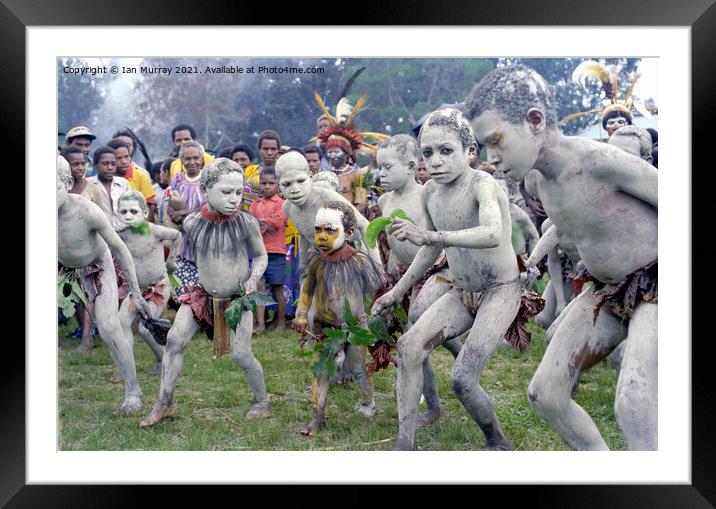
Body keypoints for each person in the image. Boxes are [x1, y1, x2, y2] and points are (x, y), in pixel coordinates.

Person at [466, 64, 657, 450]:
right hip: (607, 290)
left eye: (496, 140)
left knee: (635, 402)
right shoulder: (535, 181)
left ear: (534, 121)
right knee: (546, 394)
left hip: (659, 285)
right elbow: (563, 228)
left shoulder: (599, 162)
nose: (491, 155)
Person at [372, 110, 524, 451]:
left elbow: (491, 233)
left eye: (446, 151)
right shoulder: (431, 193)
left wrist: (428, 234)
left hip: (500, 291)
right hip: (462, 290)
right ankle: (404, 444)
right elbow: (431, 247)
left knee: (463, 379)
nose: (435, 161)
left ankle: (497, 441)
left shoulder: (482, 183)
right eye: (428, 153)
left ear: (470, 150)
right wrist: (397, 292)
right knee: (409, 347)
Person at [140, 158, 271, 427]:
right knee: (175, 340)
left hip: (237, 298)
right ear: (206, 188)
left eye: (238, 192)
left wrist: (254, 279)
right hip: (202, 295)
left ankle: (261, 401)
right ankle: (165, 402)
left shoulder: (246, 223)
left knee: (241, 354)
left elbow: (260, 256)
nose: (234, 199)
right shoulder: (192, 223)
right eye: (226, 192)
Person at [376, 133, 462, 426]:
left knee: (416, 334)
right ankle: (437, 401)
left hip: (436, 272)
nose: (381, 173)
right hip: (407, 276)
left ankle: (439, 400)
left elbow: (436, 238)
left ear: (412, 166)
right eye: (379, 167)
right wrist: (391, 269)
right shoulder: (384, 200)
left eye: (387, 167)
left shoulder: (428, 194)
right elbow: (390, 241)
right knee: (422, 338)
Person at [57, 156, 152, 414]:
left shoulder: (86, 211)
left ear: (66, 183)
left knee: (109, 327)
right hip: (63, 270)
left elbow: (119, 248)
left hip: (98, 265)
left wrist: (135, 291)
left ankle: (133, 391)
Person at [292, 201, 383, 436]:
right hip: (323, 326)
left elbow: (377, 292)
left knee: (358, 367)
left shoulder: (360, 261)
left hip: (356, 326)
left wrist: (382, 316)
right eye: (318, 229)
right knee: (320, 370)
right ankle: (317, 416)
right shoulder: (315, 261)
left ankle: (368, 403)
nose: (322, 236)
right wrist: (302, 314)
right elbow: (306, 291)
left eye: (330, 230)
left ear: (349, 232)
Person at [116, 190, 181, 375]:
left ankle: (165, 361)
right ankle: (126, 367)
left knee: (146, 329)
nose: (128, 216)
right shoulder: (121, 234)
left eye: (133, 212)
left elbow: (176, 235)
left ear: (145, 212)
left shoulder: (153, 230)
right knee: (121, 322)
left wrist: (172, 260)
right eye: (124, 212)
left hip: (157, 287)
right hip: (135, 289)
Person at [249, 167, 288, 333]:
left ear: (278, 185)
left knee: (278, 288)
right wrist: (263, 223)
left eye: (271, 183)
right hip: (258, 253)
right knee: (259, 287)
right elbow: (250, 224)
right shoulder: (255, 204)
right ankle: (260, 323)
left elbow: (277, 223)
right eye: (263, 183)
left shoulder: (282, 204)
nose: (266, 186)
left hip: (276, 252)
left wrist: (260, 223)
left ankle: (280, 322)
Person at [167, 141, 207, 296]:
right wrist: (173, 214)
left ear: (202, 160)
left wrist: (183, 212)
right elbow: (170, 201)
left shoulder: (207, 179)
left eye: (196, 158)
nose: (192, 162)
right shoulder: (177, 179)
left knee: (203, 284)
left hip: (202, 237)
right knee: (182, 285)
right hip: (183, 237)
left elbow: (208, 207)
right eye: (187, 159)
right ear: (182, 161)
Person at [107, 138, 156, 221]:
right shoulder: (106, 177)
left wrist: (147, 232)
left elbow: (148, 209)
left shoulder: (141, 176)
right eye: (119, 158)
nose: (124, 161)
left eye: (126, 157)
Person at [86, 146, 131, 231]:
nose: (110, 167)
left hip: (125, 233)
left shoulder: (123, 183)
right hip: (99, 236)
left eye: (113, 164)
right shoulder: (88, 184)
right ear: (95, 165)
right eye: (105, 163)